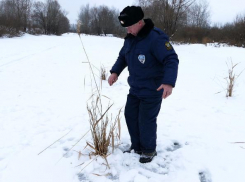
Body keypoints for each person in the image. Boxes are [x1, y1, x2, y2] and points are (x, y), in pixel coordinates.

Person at [108, 6, 179, 163]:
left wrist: (168, 82)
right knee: (130, 115)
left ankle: (148, 150)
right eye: (126, 27)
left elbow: (171, 59)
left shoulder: (156, 38)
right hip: (135, 88)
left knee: (146, 120)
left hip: (153, 89)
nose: (128, 31)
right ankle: (137, 146)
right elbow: (122, 57)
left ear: (140, 22)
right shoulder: (131, 39)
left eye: (130, 26)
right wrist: (115, 72)